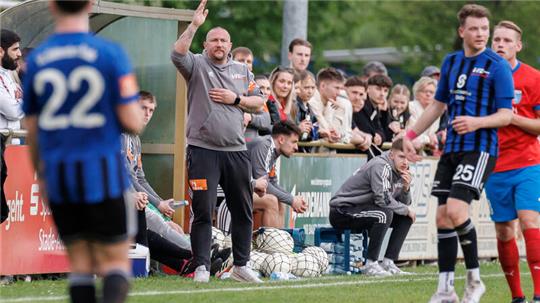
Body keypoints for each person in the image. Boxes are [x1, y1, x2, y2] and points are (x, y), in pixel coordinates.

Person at [22, 1, 144, 302]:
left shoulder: (38, 61)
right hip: (102, 172)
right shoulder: (110, 54)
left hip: (60, 175)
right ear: (90, 4)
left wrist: (41, 174)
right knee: (116, 263)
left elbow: (33, 129)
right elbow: (133, 121)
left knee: (80, 265)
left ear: (52, 5)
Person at [403, 4, 514, 303]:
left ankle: (475, 281)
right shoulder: (451, 62)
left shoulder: (497, 66)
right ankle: (445, 289)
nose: (480, 34)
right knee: (441, 217)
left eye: (484, 30)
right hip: (451, 149)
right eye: (474, 29)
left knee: (455, 211)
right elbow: (437, 107)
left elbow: (506, 114)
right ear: (461, 31)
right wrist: (410, 135)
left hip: (480, 149)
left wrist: (477, 122)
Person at [170, 0, 264, 283]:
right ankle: (201, 267)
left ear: (230, 44)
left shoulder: (242, 71)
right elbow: (177, 55)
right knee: (203, 208)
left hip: (236, 151)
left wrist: (236, 99)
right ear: (206, 44)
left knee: (242, 210)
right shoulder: (196, 64)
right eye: (214, 40)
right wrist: (194, 26)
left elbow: (259, 103)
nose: (219, 44)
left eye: (223, 40)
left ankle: (241, 266)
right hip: (202, 151)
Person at [486, 20, 540, 303]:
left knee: (530, 221)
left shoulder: (534, 78)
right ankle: (517, 297)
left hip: (528, 163)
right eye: (497, 39)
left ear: (518, 46)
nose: (501, 44)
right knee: (504, 230)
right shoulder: (482, 78)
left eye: (508, 40)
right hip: (495, 165)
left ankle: (539, 293)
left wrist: (512, 117)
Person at [329, 138, 415, 276]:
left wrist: (406, 188)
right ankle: (370, 264)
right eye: (401, 157)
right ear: (392, 154)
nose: (405, 162)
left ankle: (388, 262)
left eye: (408, 158)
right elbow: (383, 200)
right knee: (384, 214)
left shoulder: (401, 170)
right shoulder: (381, 166)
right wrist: (406, 209)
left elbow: (403, 204)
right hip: (342, 210)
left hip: (365, 210)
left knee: (406, 218)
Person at [121, 91, 190, 250]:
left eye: (151, 110)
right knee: (160, 225)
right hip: (119, 199)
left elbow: (140, 178)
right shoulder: (122, 135)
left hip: (135, 200)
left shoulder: (135, 138)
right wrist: (158, 204)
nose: (147, 114)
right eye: (143, 108)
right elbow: (126, 177)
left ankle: (198, 256)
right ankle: (199, 256)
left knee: (167, 224)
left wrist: (160, 203)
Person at [217, 121, 308, 229]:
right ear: (281, 139)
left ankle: (279, 243)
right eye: (294, 142)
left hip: (246, 187)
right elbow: (263, 185)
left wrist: (291, 198)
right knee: (271, 200)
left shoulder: (273, 150)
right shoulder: (264, 145)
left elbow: (272, 183)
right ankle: (269, 244)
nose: (296, 147)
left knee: (281, 201)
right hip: (226, 189)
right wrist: (292, 200)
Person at [308, 67, 345, 144]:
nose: (338, 93)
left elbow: (337, 133)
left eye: (340, 89)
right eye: (336, 88)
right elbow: (326, 131)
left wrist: (340, 111)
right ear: (323, 86)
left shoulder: (332, 104)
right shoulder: (311, 101)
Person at [0, 29, 24, 145]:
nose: (19, 54)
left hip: (11, 147)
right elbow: (13, 112)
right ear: (0, 51)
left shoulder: (7, 73)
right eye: (15, 49)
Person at [408, 77, 443, 155]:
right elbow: (411, 133)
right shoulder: (411, 107)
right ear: (417, 93)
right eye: (424, 91)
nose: (428, 94)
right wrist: (429, 138)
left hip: (424, 151)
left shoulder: (435, 111)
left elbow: (432, 134)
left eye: (431, 92)